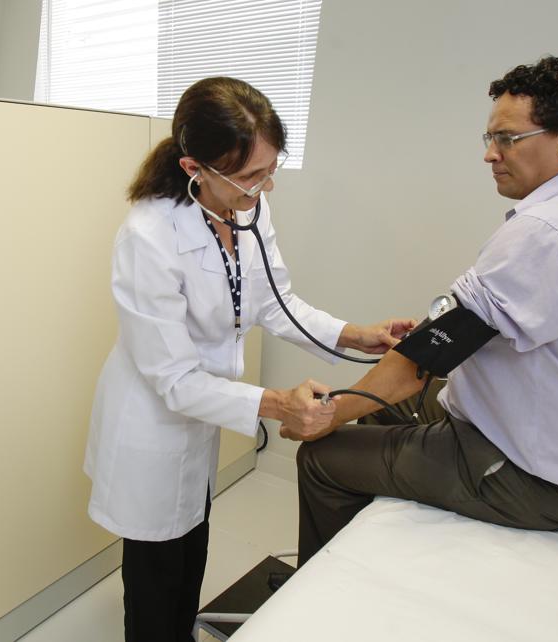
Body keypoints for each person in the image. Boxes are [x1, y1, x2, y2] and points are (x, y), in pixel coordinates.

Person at [83, 76, 414, 641]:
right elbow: (174, 379)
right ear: (194, 169)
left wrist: (354, 335)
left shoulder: (245, 207)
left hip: (201, 414)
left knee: (192, 550)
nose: (265, 186)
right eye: (251, 175)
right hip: (152, 421)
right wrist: (279, 404)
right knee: (155, 577)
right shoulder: (148, 237)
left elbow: (274, 302)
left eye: (269, 169)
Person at [284, 56, 558, 566]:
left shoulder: (546, 231)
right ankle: (373, 549)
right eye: (490, 138)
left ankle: (323, 598)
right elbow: (458, 333)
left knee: (322, 458)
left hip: (538, 476)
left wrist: (322, 418)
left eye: (508, 139)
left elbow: (424, 359)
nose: (490, 154)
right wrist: (425, 341)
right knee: (382, 407)